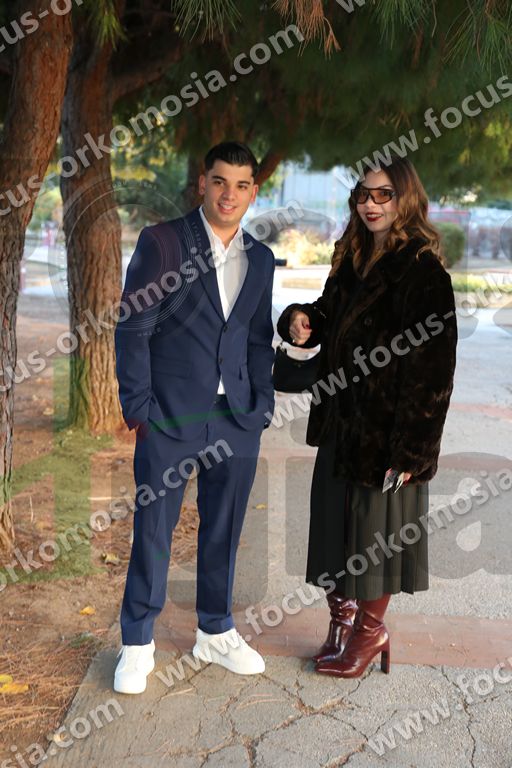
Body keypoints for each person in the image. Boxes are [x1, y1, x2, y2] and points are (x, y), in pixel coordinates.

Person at [276, 156, 457, 677]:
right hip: (340, 422)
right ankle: (341, 624)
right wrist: (302, 320)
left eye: (383, 195)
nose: (370, 204)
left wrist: (412, 452)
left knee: (376, 541)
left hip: (387, 436)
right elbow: (329, 314)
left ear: (405, 199)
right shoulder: (352, 257)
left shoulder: (423, 271)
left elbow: (434, 369)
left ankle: (371, 632)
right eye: (363, 194)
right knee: (334, 532)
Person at [113, 142, 275, 693]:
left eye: (241, 185)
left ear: (253, 192)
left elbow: (257, 337)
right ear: (203, 183)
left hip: (237, 418)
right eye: (220, 181)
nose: (230, 194)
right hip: (169, 417)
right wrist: (140, 409)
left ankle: (215, 630)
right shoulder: (162, 242)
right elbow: (133, 327)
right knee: (154, 531)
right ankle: (137, 641)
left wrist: (262, 403)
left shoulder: (261, 258)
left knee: (224, 530)